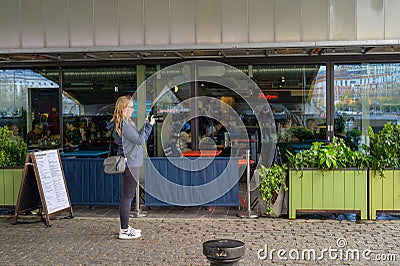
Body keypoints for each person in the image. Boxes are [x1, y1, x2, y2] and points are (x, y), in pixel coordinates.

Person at [107, 95, 155, 240]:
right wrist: (149, 126)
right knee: (128, 197)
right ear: (123, 108)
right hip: (130, 163)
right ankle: (124, 230)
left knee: (128, 196)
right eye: (130, 107)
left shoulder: (124, 123)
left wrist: (145, 125)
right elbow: (140, 140)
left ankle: (126, 226)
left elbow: (135, 138)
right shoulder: (125, 124)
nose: (132, 110)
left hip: (131, 162)